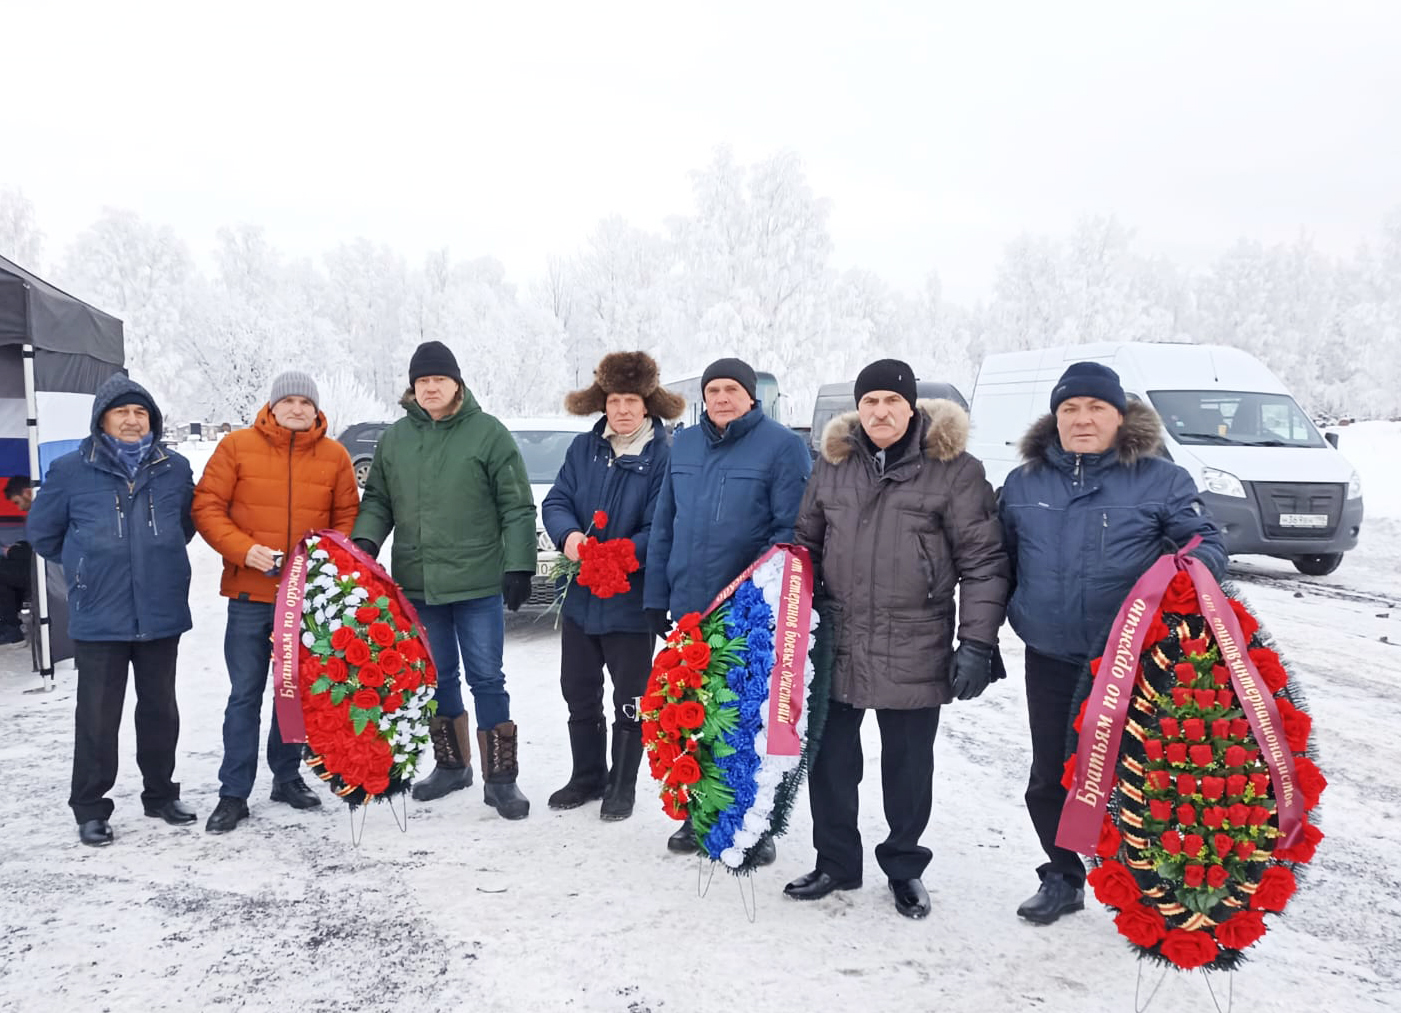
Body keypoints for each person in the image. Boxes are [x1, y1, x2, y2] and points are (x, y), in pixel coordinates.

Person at [999, 361, 1227, 925]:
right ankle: (1062, 875)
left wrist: (1191, 566)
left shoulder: (1160, 479)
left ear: (1119, 416)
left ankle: (1151, 885)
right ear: (1054, 419)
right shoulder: (1024, 483)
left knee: (1139, 774)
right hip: (1050, 652)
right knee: (1049, 776)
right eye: (1069, 409)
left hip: (1132, 659)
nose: (1082, 419)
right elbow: (997, 560)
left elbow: (1206, 541)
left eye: (1096, 408)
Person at [787, 359, 1010, 918]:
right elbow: (804, 547)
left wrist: (977, 644)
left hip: (915, 640)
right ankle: (836, 861)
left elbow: (983, 562)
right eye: (870, 402)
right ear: (857, 410)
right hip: (837, 640)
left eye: (891, 400)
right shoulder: (832, 467)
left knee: (908, 769)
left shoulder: (955, 470)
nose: (880, 411)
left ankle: (904, 868)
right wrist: (791, 625)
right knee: (831, 761)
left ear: (911, 406)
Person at [352, 340, 536, 820]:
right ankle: (452, 766)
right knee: (434, 677)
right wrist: (366, 544)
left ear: (457, 382)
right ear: (412, 388)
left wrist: (519, 564)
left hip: (477, 583)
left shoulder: (487, 434)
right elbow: (376, 501)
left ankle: (502, 780)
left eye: (439, 379)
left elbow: (516, 505)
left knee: (486, 677)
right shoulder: (395, 440)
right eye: (422, 381)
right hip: (418, 582)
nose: (431, 388)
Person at [644, 356, 812, 860]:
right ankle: (701, 817)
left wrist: (763, 599)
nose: (721, 398)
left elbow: (791, 533)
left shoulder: (782, 447)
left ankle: (752, 825)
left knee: (746, 724)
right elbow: (664, 523)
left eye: (731, 390)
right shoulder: (686, 443)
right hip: (689, 608)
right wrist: (657, 595)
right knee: (692, 718)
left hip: (747, 614)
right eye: (712, 390)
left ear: (751, 396)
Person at [27, 375, 197, 846]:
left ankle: (161, 794)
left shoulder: (175, 469)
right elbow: (43, 534)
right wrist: (86, 564)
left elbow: (185, 526)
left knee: (160, 709)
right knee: (98, 714)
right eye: (121, 411)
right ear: (102, 419)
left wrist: (153, 559)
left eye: (140, 412)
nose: (131, 419)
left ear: (152, 421)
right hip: (100, 612)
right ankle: (90, 807)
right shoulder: (70, 470)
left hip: (160, 609)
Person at [193, 371, 361, 834]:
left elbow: (347, 513)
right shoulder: (236, 448)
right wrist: (244, 550)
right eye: (287, 401)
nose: (296, 409)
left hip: (306, 599)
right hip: (251, 595)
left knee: (297, 694)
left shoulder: (335, 455)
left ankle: (286, 776)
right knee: (244, 694)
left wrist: (324, 556)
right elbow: (207, 506)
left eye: (305, 402)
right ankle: (233, 792)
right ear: (271, 406)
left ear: (315, 409)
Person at [542, 351, 682, 820]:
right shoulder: (584, 449)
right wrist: (570, 536)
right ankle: (587, 776)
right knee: (577, 687)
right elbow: (557, 499)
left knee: (630, 695)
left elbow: (662, 521)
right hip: (583, 596)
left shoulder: (664, 456)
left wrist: (625, 554)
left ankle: (621, 785)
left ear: (648, 405)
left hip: (629, 599)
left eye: (632, 400)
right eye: (615, 400)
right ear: (604, 403)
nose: (622, 409)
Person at [1, 476, 33, 643]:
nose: (19, 507)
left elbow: (40, 549)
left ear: (27, 493)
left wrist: (13, 551)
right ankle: (10, 624)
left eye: (17, 502)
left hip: (47, 574)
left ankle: (11, 627)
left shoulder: (41, 512)